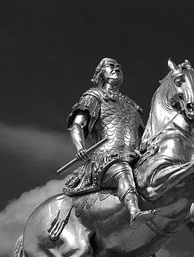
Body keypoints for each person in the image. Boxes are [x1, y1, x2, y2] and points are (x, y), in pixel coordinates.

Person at [64, 57, 155, 228]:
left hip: (134, 157)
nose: (116, 69)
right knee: (122, 170)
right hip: (106, 159)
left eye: (118, 67)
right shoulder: (94, 96)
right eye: (110, 66)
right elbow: (77, 124)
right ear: (101, 73)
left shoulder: (131, 104)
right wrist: (80, 148)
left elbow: (145, 136)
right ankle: (134, 211)